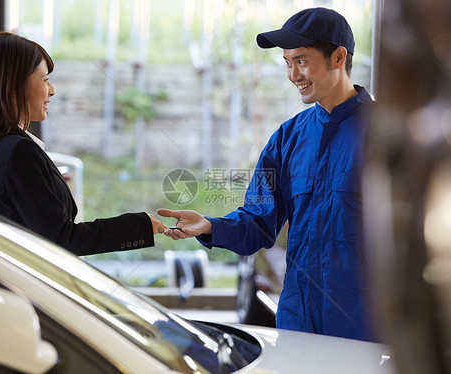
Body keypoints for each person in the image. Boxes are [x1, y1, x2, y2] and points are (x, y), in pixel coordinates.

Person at [159, 8, 375, 341]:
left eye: (302, 61)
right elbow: (259, 223)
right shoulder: (288, 138)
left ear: (338, 57)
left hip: (365, 328)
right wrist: (211, 225)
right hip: (298, 320)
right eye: (288, 63)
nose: (293, 75)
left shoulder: (385, 137)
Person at [0, 32, 166, 256]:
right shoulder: (18, 151)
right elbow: (60, 239)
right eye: (45, 79)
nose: (52, 90)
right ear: (13, 88)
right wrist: (139, 226)